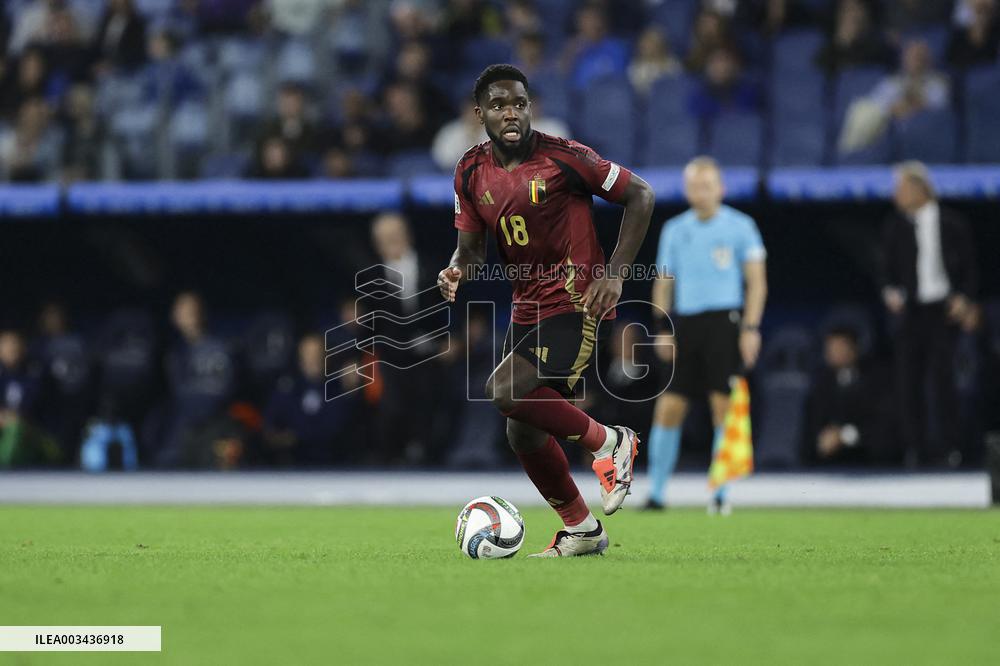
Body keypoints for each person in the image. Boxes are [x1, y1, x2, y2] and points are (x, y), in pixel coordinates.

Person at [438, 64, 655, 556]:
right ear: (480, 114)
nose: (510, 113)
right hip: (525, 305)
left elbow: (641, 194)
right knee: (522, 430)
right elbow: (470, 251)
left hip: (577, 298)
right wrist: (455, 269)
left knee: (503, 389)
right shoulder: (470, 170)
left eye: (518, 103)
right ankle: (582, 530)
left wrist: (616, 272)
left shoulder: (566, 157)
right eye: (498, 105)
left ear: (529, 107)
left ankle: (608, 441)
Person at [645, 157, 767, 513]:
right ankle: (656, 493)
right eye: (695, 186)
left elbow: (757, 283)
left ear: (721, 188)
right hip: (686, 324)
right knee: (669, 408)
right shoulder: (674, 229)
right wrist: (662, 329)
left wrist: (751, 328)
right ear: (687, 190)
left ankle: (721, 494)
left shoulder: (741, 226)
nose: (701, 192)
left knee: (722, 407)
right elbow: (663, 283)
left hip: (725, 322)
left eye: (707, 185)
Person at [881, 161, 978, 468]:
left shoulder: (953, 223)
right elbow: (884, 270)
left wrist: (965, 298)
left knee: (944, 382)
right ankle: (915, 449)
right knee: (908, 382)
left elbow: (971, 267)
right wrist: (889, 290)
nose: (896, 195)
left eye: (902, 188)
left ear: (920, 189)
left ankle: (949, 448)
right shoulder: (895, 226)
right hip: (912, 312)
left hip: (944, 312)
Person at [802, 326, 892, 466]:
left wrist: (845, 436)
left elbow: (883, 425)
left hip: (871, 463)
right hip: (827, 465)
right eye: (830, 349)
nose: (833, 353)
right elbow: (811, 426)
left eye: (839, 348)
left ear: (854, 349)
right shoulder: (821, 384)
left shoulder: (876, 380)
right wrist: (822, 440)